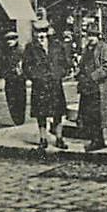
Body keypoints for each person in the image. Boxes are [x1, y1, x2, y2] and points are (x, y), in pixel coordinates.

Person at [22, 21, 71, 155]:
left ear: (47, 32)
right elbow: (26, 67)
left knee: (58, 112)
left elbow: (65, 63)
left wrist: (58, 74)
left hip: (55, 84)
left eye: (43, 32)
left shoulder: (56, 46)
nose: (41, 35)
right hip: (40, 85)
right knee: (41, 113)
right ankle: (43, 138)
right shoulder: (30, 48)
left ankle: (59, 138)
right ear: (35, 33)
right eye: (38, 32)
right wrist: (36, 77)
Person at [76, 23, 107, 152]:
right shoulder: (86, 49)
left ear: (98, 36)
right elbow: (82, 65)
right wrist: (79, 74)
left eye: (93, 35)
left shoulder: (104, 48)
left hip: (98, 86)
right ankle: (95, 139)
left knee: (97, 115)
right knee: (88, 114)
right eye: (89, 35)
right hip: (87, 87)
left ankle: (98, 140)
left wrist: (93, 76)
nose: (91, 38)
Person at [0, 31, 26, 126]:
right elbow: (1, 63)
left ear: (16, 39)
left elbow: (26, 63)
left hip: (19, 79)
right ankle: (16, 119)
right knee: (11, 99)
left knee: (20, 99)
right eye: (8, 39)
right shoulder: (5, 51)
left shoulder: (21, 50)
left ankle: (20, 120)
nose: (9, 42)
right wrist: (3, 73)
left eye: (12, 39)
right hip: (9, 79)